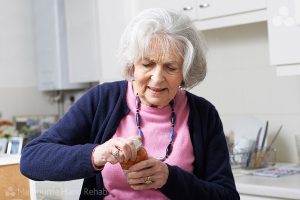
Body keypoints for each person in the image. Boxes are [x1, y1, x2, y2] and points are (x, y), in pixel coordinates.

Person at [20, 8, 240, 200]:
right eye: (147, 64)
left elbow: (227, 195)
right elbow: (31, 159)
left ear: (184, 73)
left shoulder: (203, 114)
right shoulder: (102, 100)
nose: (157, 78)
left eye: (171, 68)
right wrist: (96, 154)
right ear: (132, 65)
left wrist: (170, 178)